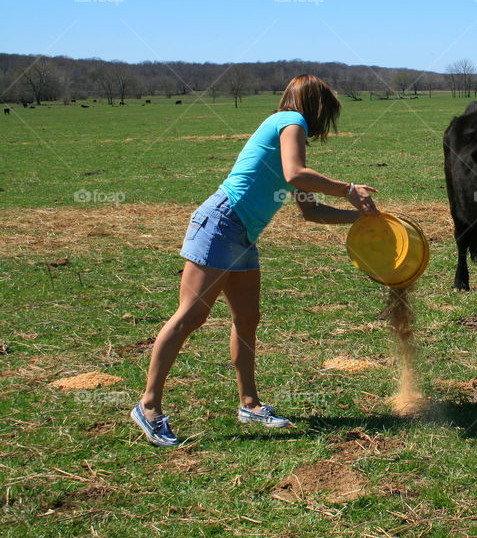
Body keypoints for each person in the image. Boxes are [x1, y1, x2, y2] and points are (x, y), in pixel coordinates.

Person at [131, 74, 378, 446]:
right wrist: (347, 189)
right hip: (220, 223)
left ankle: (249, 403)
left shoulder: (287, 136)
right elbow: (296, 174)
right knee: (191, 315)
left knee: (247, 319)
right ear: (318, 107)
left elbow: (309, 212)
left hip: (242, 235)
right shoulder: (289, 122)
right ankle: (148, 406)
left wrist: (362, 218)